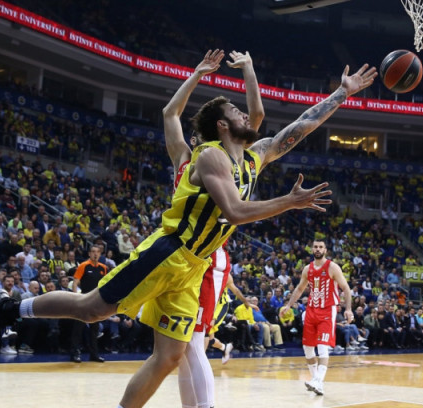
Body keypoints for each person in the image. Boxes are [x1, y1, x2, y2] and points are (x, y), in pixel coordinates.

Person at [0, 56, 376, 408]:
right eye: (236, 112)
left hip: (194, 267)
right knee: (92, 309)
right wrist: (289, 201)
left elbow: (302, 125)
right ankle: (10, 308)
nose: (247, 115)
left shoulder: (255, 156)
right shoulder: (210, 156)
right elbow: (234, 211)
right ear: (223, 125)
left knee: (169, 357)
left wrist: (342, 93)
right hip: (169, 251)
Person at [163, 49, 265, 408]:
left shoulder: (224, 156)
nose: (197, 141)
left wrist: (248, 69)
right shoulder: (185, 160)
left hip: (208, 255)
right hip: (179, 255)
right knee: (178, 352)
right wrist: (197, 74)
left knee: (192, 343)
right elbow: (170, 113)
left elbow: (255, 117)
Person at [280, 239, 354, 396]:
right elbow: (300, 289)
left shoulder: (332, 267)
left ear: (325, 250)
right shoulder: (308, 269)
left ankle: (318, 381)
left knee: (322, 346)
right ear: (312, 249)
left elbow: (346, 288)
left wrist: (348, 309)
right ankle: (316, 381)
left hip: (327, 310)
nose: (318, 249)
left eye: (321, 247)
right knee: (307, 348)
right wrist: (288, 305)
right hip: (311, 310)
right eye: (315, 247)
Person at [70, 245, 108, 363]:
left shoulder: (103, 268)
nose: (95, 254)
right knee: (78, 328)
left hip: (96, 301)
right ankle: (75, 353)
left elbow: (104, 284)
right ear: (89, 254)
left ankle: (94, 354)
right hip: (84, 300)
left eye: (97, 252)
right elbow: (75, 283)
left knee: (94, 329)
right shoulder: (83, 266)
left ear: (100, 254)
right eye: (93, 252)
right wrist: (75, 297)